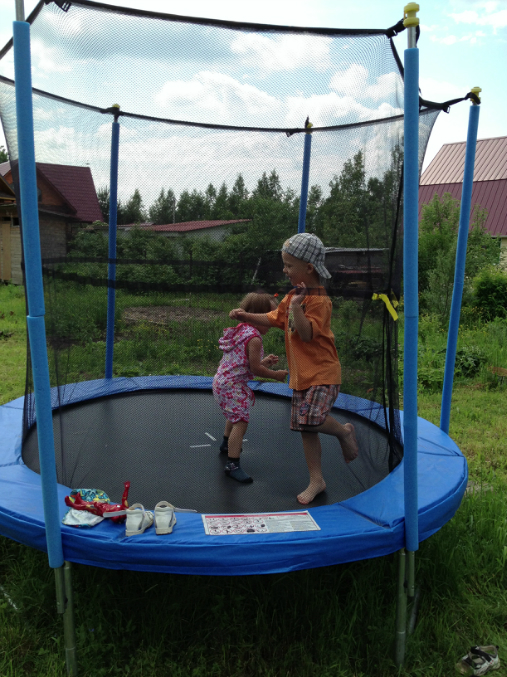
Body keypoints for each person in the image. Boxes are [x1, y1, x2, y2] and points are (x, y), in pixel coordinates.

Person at [229, 232, 358, 504]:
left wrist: (298, 307)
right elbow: (273, 317)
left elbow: (307, 334)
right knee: (306, 428)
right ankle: (316, 480)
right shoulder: (291, 296)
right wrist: (245, 315)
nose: (285, 270)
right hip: (302, 377)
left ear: (308, 268)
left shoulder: (319, 299)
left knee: (312, 419)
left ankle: (344, 432)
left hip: (323, 373)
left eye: (289, 265)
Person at [213, 292, 289, 484]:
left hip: (222, 381)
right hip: (231, 385)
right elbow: (255, 369)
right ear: (257, 316)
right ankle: (232, 464)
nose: (272, 322)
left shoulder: (242, 330)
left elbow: (244, 363)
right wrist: (275, 375)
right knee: (241, 421)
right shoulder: (254, 339)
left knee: (234, 415)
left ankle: (226, 443)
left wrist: (264, 362)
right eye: (270, 317)